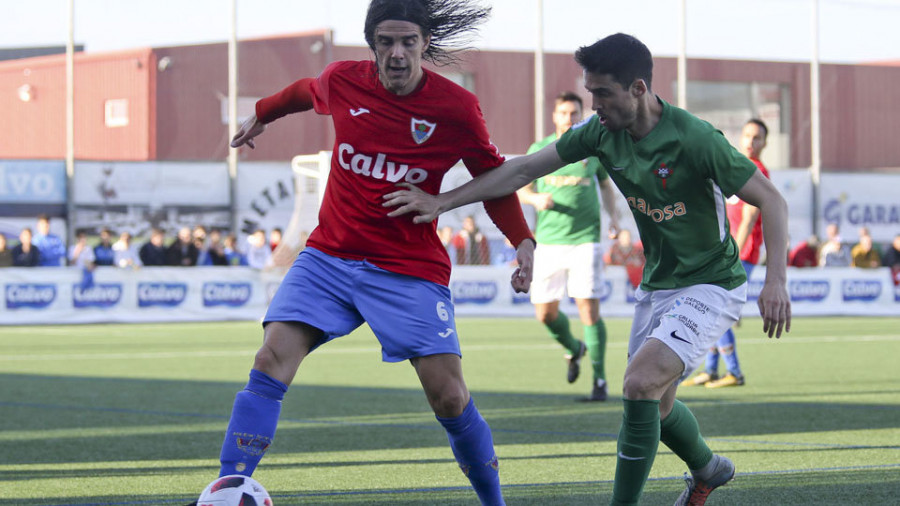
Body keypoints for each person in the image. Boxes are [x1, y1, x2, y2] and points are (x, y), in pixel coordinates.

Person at [384, 33, 791, 505]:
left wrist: (776, 280)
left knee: (639, 384)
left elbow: (771, 199)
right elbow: (522, 170)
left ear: (638, 89)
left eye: (602, 93)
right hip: (659, 286)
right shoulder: (601, 133)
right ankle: (707, 469)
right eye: (590, 92)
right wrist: (442, 201)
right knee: (655, 407)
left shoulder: (695, 138)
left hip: (711, 283)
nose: (592, 104)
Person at [196, 2, 535, 505]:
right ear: (372, 44)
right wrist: (261, 114)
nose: (397, 54)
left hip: (408, 269)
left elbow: (494, 178)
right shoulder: (343, 80)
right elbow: (302, 92)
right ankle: (227, 490)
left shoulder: (455, 108)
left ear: (424, 44)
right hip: (328, 257)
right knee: (270, 358)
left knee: (450, 396)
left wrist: (521, 241)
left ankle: (494, 502)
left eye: (408, 43)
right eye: (386, 43)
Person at [516, 90, 620, 401]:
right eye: (564, 113)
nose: (569, 118)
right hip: (547, 242)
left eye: (574, 113)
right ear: (555, 116)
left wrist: (614, 218)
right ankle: (575, 349)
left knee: (588, 310)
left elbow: (606, 186)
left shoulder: (592, 148)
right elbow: (521, 189)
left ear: (581, 115)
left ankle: (600, 382)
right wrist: (535, 198)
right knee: (545, 315)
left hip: (585, 241)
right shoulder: (539, 148)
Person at [684, 118, 772, 389]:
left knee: (714, 311)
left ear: (765, 143)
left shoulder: (757, 171)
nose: (750, 141)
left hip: (740, 254)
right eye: (747, 135)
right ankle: (711, 370)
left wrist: (729, 255)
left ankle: (734, 372)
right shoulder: (737, 165)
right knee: (710, 309)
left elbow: (748, 219)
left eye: (757, 137)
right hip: (729, 250)